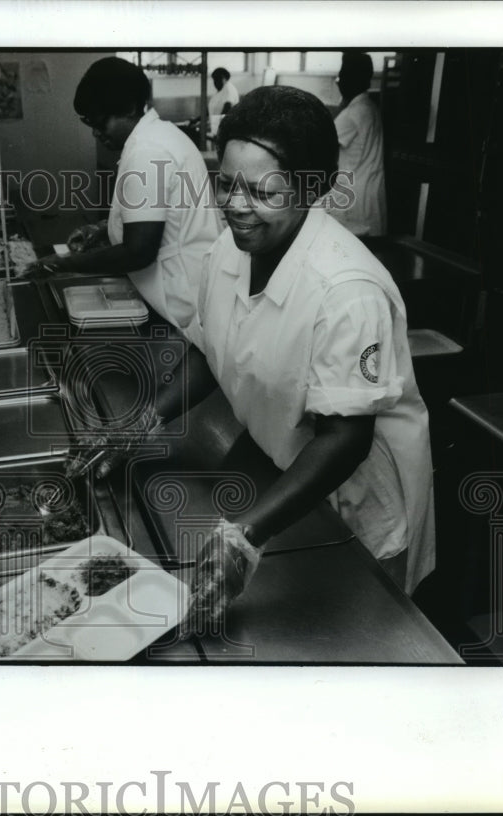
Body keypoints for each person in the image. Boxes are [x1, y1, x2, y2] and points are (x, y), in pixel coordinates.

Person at [73, 86, 435, 636]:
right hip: (285, 467)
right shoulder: (231, 248)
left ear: (312, 189)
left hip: (354, 497)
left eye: (263, 192)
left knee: (348, 634)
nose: (237, 206)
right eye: (227, 185)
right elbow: (209, 344)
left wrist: (244, 535)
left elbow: (345, 438)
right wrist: (142, 421)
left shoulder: (345, 289)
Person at [26, 57, 222, 346]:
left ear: (129, 109)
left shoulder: (147, 150)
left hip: (181, 299)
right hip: (187, 289)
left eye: (99, 121)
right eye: (87, 121)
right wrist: (106, 228)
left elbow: (139, 250)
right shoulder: (160, 135)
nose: (94, 132)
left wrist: (64, 263)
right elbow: (157, 211)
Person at [328, 51, 387, 237]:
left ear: (352, 79)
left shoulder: (351, 115)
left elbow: (321, 143)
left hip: (354, 200)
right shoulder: (370, 108)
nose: (339, 81)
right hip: (370, 195)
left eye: (342, 76)